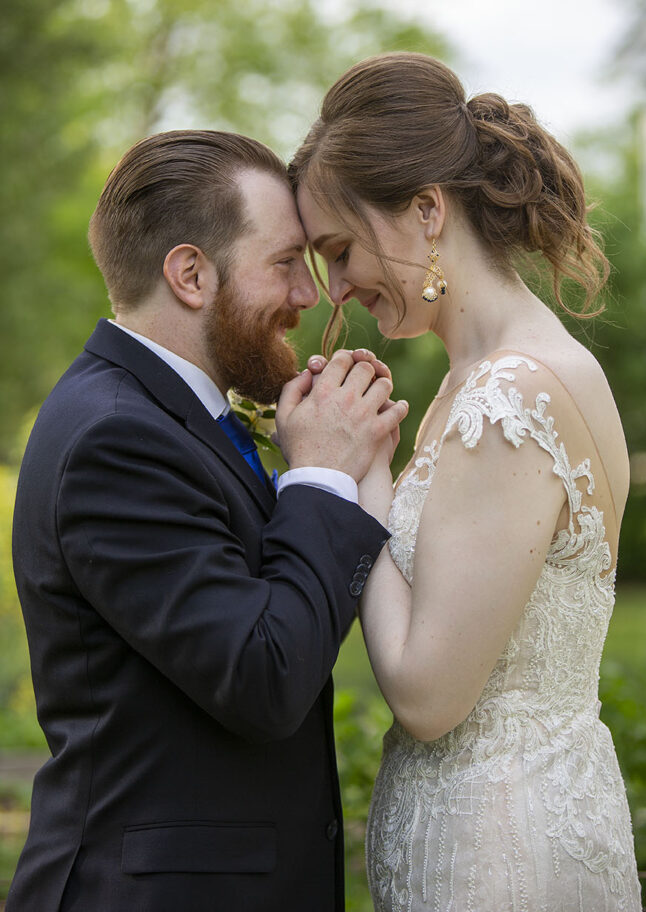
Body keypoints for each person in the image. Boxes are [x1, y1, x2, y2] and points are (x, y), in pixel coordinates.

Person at [8, 129, 409, 912]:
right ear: (191, 273)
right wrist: (320, 475)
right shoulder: (115, 440)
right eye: (287, 263)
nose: (311, 295)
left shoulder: (163, 418)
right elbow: (262, 676)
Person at [289, 53, 642, 911]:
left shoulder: (511, 393)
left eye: (341, 251)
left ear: (425, 210)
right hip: (482, 832)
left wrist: (351, 476)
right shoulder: (473, 378)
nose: (337, 288)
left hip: (501, 855)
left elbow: (426, 693)